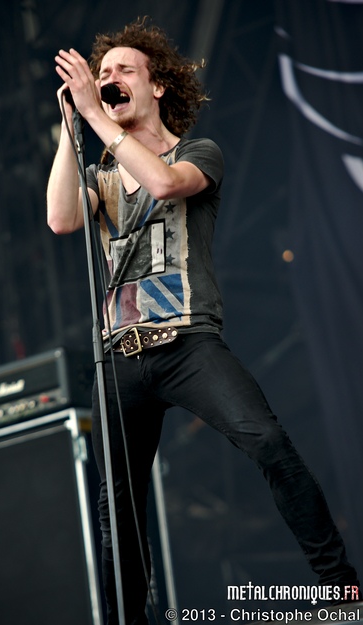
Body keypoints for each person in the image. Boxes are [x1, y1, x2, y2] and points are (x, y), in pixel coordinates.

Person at [47, 18, 359, 625]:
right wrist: (70, 124)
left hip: (187, 342)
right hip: (119, 355)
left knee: (268, 442)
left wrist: (96, 118)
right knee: (117, 506)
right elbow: (61, 220)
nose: (109, 79)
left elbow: (164, 184)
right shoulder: (101, 174)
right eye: (102, 73)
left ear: (157, 85)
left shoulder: (198, 152)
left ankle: (341, 590)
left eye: (124, 70)